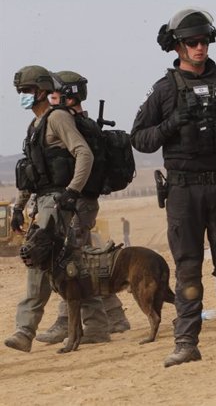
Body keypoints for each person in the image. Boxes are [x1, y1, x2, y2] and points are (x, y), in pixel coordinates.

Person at [131, 7, 216, 366]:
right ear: (178, 47)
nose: (199, 48)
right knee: (188, 269)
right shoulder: (163, 90)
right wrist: (172, 123)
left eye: (204, 41)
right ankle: (186, 343)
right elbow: (140, 139)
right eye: (192, 42)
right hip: (183, 191)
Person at [5, 65, 98, 352]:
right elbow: (32, 173)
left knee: (38, 260)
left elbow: (84, 153)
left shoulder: (57, 118)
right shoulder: (35, 127)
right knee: (71, 264)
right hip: (42, 201)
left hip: (57, 202)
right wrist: (18, 207)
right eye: (21, 92)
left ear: (44, 91)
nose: (24, 96)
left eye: (28, 91)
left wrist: (72, 192)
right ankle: (101, 321)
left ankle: (25, 329)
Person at [34, 71, 131, 346]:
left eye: (55, 93)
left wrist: (71, 192)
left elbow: (83, 157)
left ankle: (67, 322)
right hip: (81, 202)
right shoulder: (82, 122)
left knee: (69, 264)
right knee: (86, 262)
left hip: (78, 203)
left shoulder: (73, 124)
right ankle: (115, 316)